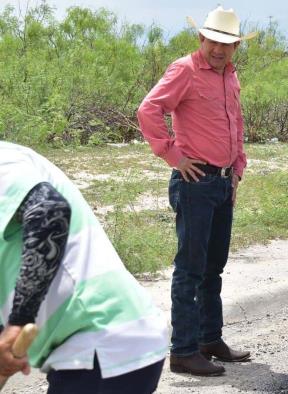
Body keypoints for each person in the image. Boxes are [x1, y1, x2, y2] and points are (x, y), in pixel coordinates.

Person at [137, 5, 256, 376]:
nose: (218, 49)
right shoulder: (184, 71)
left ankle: (209, 339)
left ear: (236, 46)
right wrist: (174, 155)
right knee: (189, 269)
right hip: (194, 182)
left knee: (213, 267)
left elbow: (234, 121)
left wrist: (237, 168)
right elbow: (148, 110)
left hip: (222, 183)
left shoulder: (229, 76)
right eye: (213, 41)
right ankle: (183, 351)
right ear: (201, 38)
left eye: (227, 44)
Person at [0, 142, 168, 393]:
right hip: (92, 350)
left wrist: (17, 325)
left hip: (101, 339)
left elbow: (49, 211)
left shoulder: (5, 161)